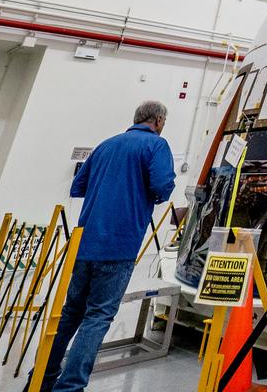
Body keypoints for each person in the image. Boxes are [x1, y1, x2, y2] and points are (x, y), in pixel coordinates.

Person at [35, 101, 175, 392]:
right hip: (119, 245)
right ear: (159, 120)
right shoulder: (156, 146)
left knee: (71, 313)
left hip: (85, 243)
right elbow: (162, 187)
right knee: (98, 316)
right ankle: (70, 387)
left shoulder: (105, 145)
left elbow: (79, 185)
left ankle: (41, 381)